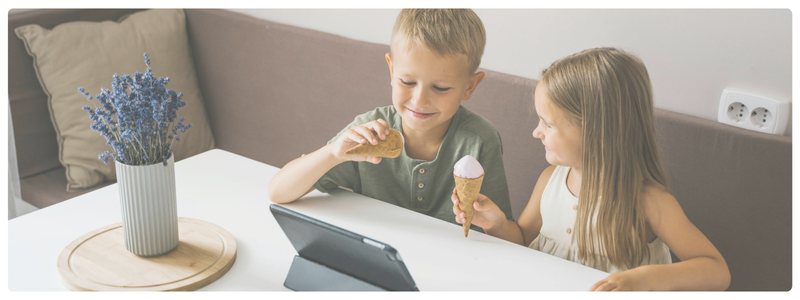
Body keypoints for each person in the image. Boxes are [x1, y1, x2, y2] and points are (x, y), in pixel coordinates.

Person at [452, 47, 730, 291]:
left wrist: (643, 279)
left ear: (599, 133)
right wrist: (496, 223)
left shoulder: (648, 202)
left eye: (548, 124)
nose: (537, 132)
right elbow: (523, 239)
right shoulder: (550, 181)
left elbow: (716, 271)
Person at [269, 9, 514, 227]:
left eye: (440, 88)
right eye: (407, 82)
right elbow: (278, 191)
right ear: (391, 69)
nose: (419, 100)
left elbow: (510, 238)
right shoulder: (368, 134)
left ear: (470, 86)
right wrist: (333, 153)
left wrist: (497, 224)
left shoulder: (480, 140)